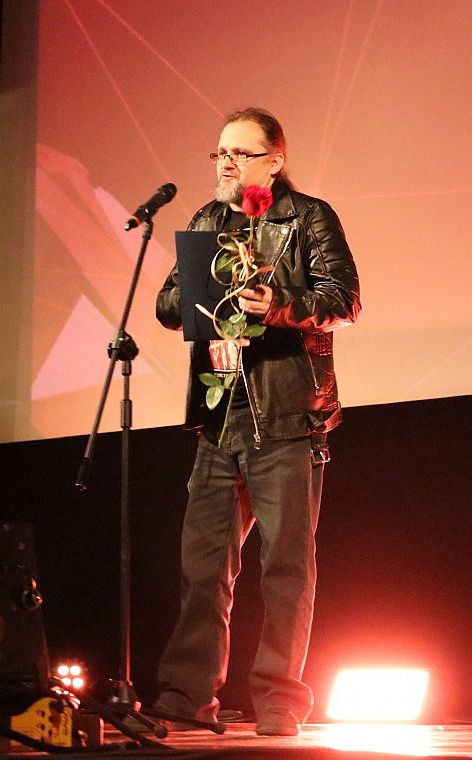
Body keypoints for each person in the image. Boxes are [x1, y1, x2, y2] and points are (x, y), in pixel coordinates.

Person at [150, 107, 360, 736]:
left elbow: (344, 299)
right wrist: (203, 296)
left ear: (275, 161)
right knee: (203, 568)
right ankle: (188, 695)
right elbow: (167, 303)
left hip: (287, 416)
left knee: (286, 569)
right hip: (220, 418)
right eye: (220, 153)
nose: (226, 164)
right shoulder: (207, 221)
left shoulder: (308, 217)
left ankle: (279, 699)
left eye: (239, 153)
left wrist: (279, 305)